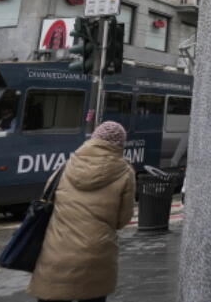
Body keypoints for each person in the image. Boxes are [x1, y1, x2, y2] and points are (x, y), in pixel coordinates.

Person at [28, 121, 136, 302]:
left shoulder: (66, 166)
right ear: (120, 145)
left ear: (94, 138)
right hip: (97, 256)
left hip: (56, 253)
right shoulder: (125, 173)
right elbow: (122, 220)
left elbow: (47, 199)